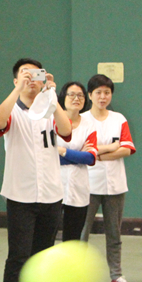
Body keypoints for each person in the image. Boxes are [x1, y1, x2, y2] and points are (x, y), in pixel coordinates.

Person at [0, 58, 73, 282]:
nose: (31, 80)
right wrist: (18, 90)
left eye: (36, 75)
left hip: (51, 194)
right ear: (16, 80)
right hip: (20, 195)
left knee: (43, 254)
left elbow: (66, 130)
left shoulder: (49, 110)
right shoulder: (13, 110)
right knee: (18, 255)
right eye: (25, 75)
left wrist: (52, 97)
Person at [80, 74, 136, 282]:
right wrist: (111, 147)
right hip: (87, 184)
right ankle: (78, 275)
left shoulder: (119, 119)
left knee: (114, 233)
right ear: (90, 95)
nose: (103, 97)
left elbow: (127, 149)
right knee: (82, 233)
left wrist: (98, 154)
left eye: (107, 92)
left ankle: (116, 275)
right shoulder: (82, 120)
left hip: (115, 185)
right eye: (98, 93)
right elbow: (83, 150)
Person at [56, 81, 97, 241]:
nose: (76, 98)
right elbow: (48, 156)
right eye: (71, 95)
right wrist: (77, 156)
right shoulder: (52, 120)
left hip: (78, 187)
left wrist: (62, 151)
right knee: (47, 236)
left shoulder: (89, 125)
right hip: (54, 184)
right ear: (63, 97)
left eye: (80, 95)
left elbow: (89, 157)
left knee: (72, 238)